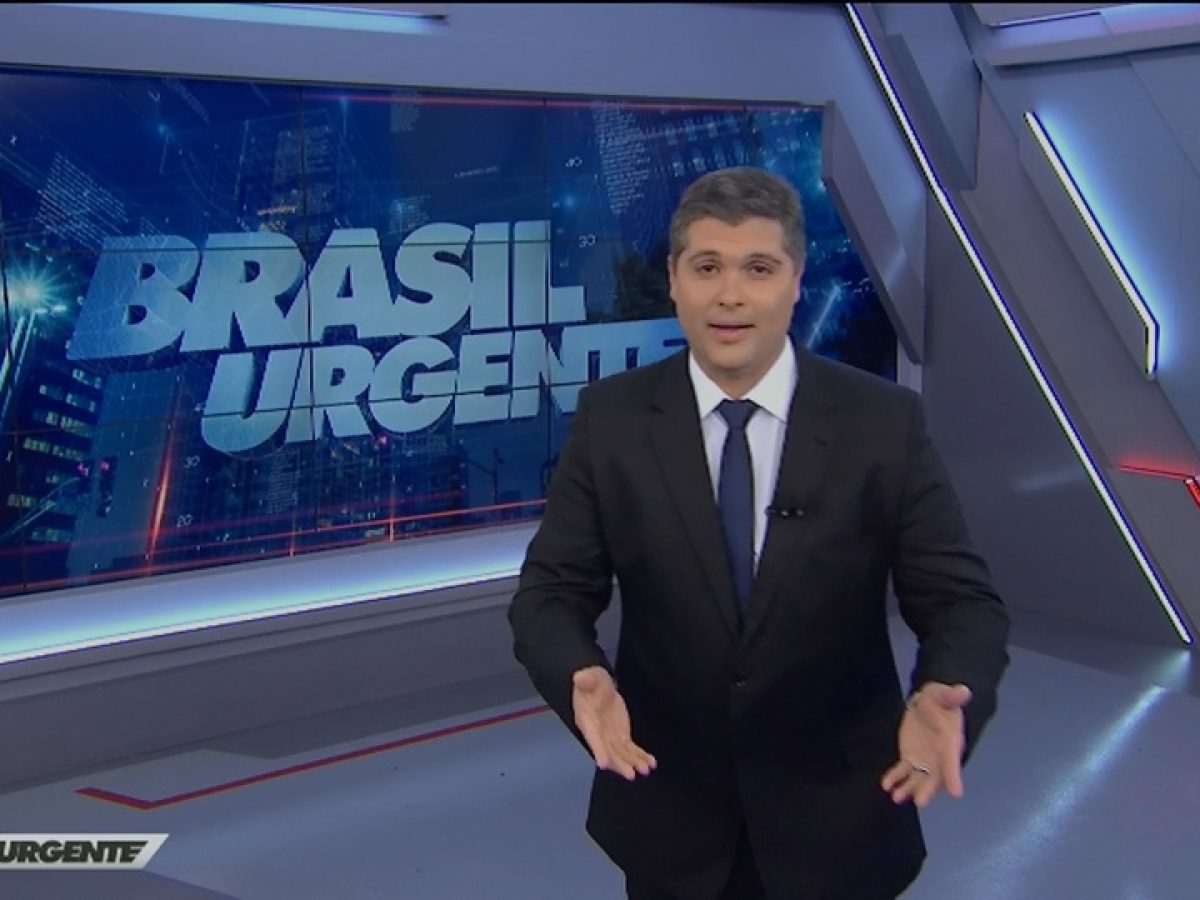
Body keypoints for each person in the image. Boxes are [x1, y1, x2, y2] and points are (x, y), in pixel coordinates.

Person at [508, 166, 1010, 899]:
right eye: (708, 267)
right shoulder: (611, 420)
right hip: (671, 814)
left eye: (759, 268)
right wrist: (578, 672)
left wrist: (944, 685)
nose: (731, 296)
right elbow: (550, 593)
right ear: (674, 279)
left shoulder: (881, 422)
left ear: (797, 281)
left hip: (843, 820)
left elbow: (961, 601)